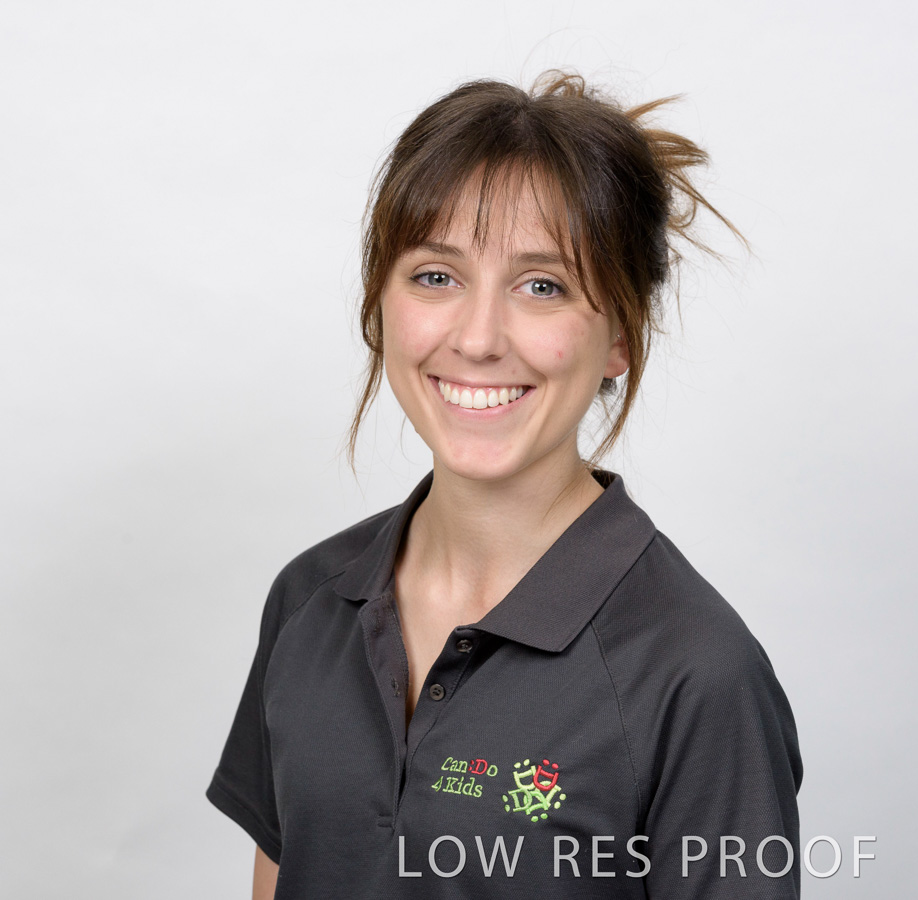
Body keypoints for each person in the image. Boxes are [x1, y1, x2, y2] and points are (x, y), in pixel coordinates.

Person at [206, 70, 802, 899]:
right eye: (435, 276)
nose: (479, 338)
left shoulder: (695, 672)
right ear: (379, 305)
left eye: (541, 286)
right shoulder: (309, 599)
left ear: (621, 336)